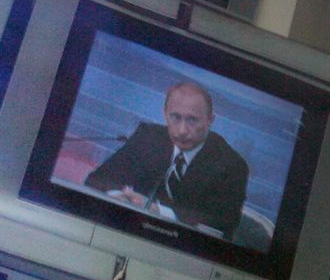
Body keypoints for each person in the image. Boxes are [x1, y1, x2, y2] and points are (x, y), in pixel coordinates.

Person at [83, 81, 249, 238]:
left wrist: (159, 212)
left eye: (192, 120)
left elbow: (221, 227)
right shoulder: (147, 137)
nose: (182, 130)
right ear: (165, 114)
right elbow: (96, 180)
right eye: (175, 117)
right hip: (128, 232)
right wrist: (118, 197)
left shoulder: (232, 166)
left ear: (210, 120)